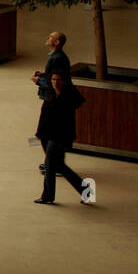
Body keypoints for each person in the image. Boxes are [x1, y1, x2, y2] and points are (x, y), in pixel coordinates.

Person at [34, 71, 94, 205]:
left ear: (65, 81)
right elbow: (44, 116)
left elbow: (63, 121)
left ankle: (48, 196)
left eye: (59, 80)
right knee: (60, 166)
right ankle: (86, 190)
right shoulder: (52, 94)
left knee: (50, 166)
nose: (56, 82)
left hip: (57, 137)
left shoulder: (66, 98)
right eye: (54, 79)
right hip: (50, 136)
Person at [33, 31, 71, 164]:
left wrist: (37, 80)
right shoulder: (56, 57)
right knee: (48, 133)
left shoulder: (57, 58)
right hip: (51, 99)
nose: (47, 38)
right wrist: (44, 74)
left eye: (51, 37)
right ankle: (53, 162)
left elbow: (55, 82)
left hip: (53, 100)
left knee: (45, 133)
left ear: (57, 42)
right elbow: (53, 76)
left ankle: (54, 163)